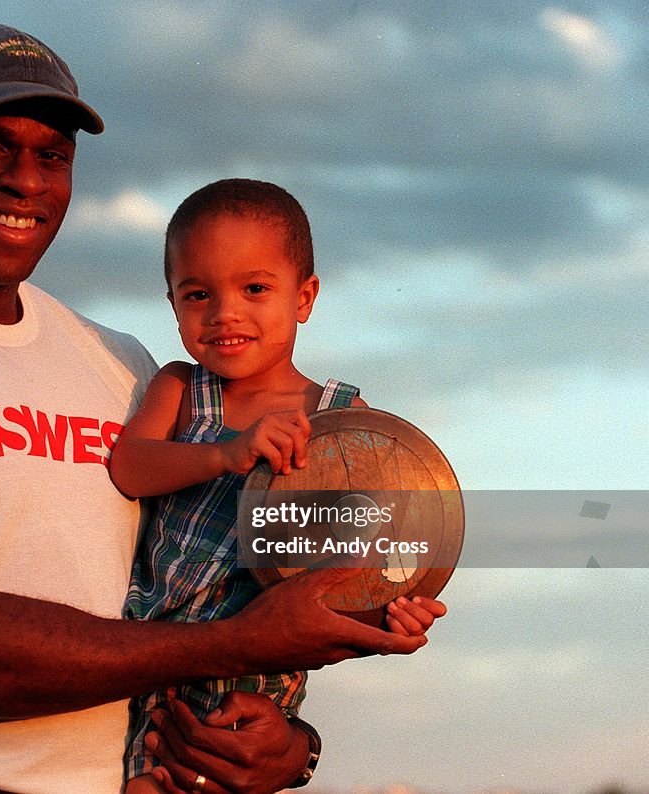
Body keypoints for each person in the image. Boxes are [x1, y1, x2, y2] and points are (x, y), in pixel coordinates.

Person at [0, 23, 434, 794]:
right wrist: (238, 646)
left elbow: (236, 576)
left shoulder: (120, 362)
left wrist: (290, 746)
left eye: (52, 155)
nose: (25, 180)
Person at [109, 180, 447, 793]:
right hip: (150, 643)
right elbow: (129, 467)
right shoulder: (182, 389)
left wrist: (394, 606)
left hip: (259, 671)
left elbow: (374, 548)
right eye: (197, 294)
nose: (224, 314)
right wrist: (224, 454)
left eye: (255, 289)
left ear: (305, 297)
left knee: (207, 775)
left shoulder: (344, 423)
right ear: (172, 302)